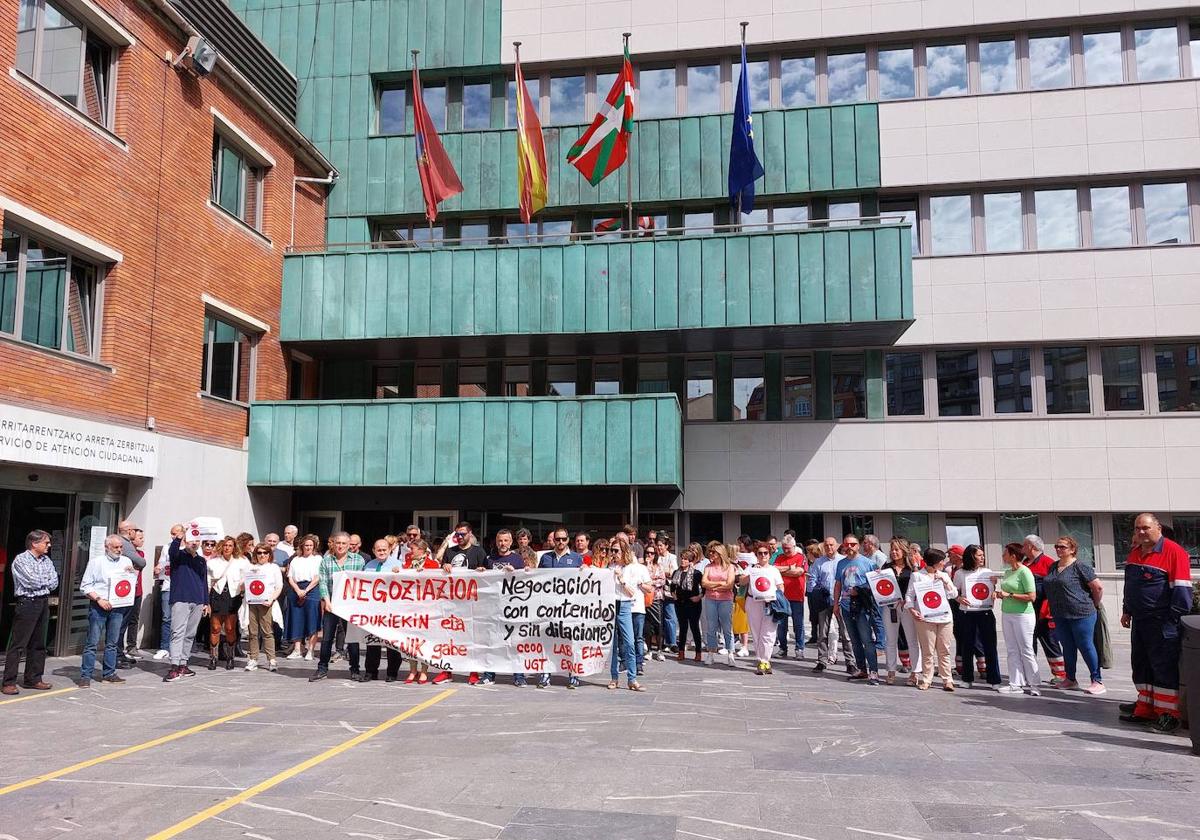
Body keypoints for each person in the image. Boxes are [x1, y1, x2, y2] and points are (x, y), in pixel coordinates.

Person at [1119, 513, 1193, 733]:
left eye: (1145, 528)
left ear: (1158, 528)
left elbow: (1182, 592)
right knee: (1141, 665)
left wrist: (1171, 621)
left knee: (1164, 669)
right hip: (1140, 622)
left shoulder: (1174, 552)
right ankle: (1146, 708)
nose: (1141, 532)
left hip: (1162, 623)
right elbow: (1130, 585)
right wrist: (1127, 610)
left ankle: (1168, 715)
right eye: (1137, 528)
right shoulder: (1135, 552)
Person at [1043, 536, 1105, 695]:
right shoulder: (1053, 567)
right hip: (1060, 614)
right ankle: (1070, 679)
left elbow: (1097, 587)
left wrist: (1094, 604)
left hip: (1081, 613)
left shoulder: (1080, 566)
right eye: (1057, 546)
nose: (1058, 549)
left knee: (1085, 645)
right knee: (1068, 647)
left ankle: (1096, 680)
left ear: (1072, 549)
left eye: (1062, 547)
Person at [2, 530, 58, 694]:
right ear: (34, 543)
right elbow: (31, 581)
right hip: (27, 603)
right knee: (18, 644)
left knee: (38, 643)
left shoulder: (46, 560)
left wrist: (44, 581)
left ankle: (33, 678)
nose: (49, 546)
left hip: (42, 602)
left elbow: (54, 581)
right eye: (46, 543)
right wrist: (44, 581)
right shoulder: (21, 559)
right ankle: (8, 682)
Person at [78, 534, 137, 687]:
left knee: (112, 642)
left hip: (118, 606)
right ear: (107, 547)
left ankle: (109, 673)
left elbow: (130, 584)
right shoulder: (96, 562)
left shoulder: (126, 561)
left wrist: (132, 573)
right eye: (115, 547)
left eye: (120, 547)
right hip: (99, 605)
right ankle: (86, 675)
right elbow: (85, 586)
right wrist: (99, 599)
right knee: (92, 642)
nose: (119, 550)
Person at [310, 531, 366, 682]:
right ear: (333, 544)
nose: (340, 546)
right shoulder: (326, 561)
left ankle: (355, 670)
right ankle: (322, 669)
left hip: (350, 606)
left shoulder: (358, 560)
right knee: (327, 638)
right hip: (332, 604)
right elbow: (322, 583)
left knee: (352, 639)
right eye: (338, 543)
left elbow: (361, 583)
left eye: (344, 543)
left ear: (349, 545)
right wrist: (327, 602)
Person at [905, 548, 959, 692]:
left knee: (944, 650)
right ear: (934, 562)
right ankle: (926, 679)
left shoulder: (944, 575)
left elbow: (954, 594)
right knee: (927, 650)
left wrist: (945, 582)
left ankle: (947, 679)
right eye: (941, 561)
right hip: (925, 618)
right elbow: (909, 595)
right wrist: (912, 609)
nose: (943, 563)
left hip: (944, 617)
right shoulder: (917, 576)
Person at [537, 527, 584, 688]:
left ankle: (573, 674)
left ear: (568, 540)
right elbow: (537, 580)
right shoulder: (545, 558)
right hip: (549, 608)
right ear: (553, 540)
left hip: (570, 608)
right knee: (547, 641)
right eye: (558, 539)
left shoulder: (577, 558)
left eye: (564, 539)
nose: (561, 542)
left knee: (571, 642)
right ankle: (545, 674)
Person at [833, 535, 882, 685]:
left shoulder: (868, 563)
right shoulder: (841, 563)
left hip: (862, 605)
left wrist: (860, 590)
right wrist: (836, 603)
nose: (850, 547)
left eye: (853, 544)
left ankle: (873, 671)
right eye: (847, 544)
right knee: (854, 640)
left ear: (858, 546)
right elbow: (838, 584)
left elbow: (875, 585)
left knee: (867, 639)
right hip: (846, 605)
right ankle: (862, 669)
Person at [952, 545, 1002, 690]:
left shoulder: (987, 572)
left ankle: (994, 679)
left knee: (990, 646)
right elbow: (954, 592)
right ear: (971, 556)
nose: (982, 558)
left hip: (985, 612)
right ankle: (967, 678)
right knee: (967, 645)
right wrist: (959, 598)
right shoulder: (960, 573)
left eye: (983, 555)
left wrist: (994, 588)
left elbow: (991, 591)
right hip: (967, 613)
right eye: (979, 555)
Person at [163, 532, 211, 682]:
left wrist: (206, 602)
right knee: (177, 632)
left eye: (197, 541)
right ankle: (174, 665)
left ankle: (183, 663)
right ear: (186, 541)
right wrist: (178, 537)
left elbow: (204, 582)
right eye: (191, 540)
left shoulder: (202, 560)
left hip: (197, 600)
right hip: (181, 598)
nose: (194, 543)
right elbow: (172, 551)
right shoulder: (178, 556)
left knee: (190, 634)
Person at [995, 542, 1040, 696]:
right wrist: (999, 593)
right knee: (1012, 649)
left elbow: (1031, 596)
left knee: (1026, 649)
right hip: (1007, 613)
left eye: (1005, 553)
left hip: (1023, 615)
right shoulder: (1007, 572)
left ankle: (1034, 684)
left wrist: (1010, 595)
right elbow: (1006, 590)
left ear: (1013, 555)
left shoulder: (1025, 572)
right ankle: (1015, 683)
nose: (1003, 556)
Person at [481, 529, 524, 686]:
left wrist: (516, 573)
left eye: (506, 540)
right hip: (493, 607)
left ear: (511, 542)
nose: (502, 543)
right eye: (500, 540)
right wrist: (481, 572)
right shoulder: (489, 559)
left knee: (514, 642)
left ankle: (519, 676)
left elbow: (525, 582)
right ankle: (489, 674)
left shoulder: (517, 559)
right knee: (492, 642)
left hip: (512, 608)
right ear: (496, 541)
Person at [1023, 535, 1067, 685]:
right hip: (1028, 611)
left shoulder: (1048, 563)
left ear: (1032, 547)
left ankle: (1060, 674)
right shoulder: (1025, 563)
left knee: (1050, 641)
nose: (1022, 548)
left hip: (1045, 612)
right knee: (1029, 642)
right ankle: (1030, 673)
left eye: (1025, 545)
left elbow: (1055, 589)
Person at [361, 539, 403, 682]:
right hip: (373, 610)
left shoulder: (398, 565)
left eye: (384, 549)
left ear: (390, 549)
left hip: (392, 609)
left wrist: (400, 574)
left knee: (392, 642)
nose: (382, 552)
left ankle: (392, 672)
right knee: (373, 642)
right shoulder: (368, 566)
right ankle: (371, 672)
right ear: (373, 551)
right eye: (378, 549)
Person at [740, 542, 785, 675]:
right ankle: (761, 660)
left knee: (769, 633)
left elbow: (781, 586)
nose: (763, 555)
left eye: (766, 553)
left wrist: (777, 596)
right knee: (756, 632)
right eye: (760, 553)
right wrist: (752, 574)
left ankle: (766, 659)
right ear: (756, 555)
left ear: (769, 555)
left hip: (770, 603)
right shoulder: (751, 567)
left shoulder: (773, 569)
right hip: (753, 601)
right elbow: (741, 581)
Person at [882, 537, 920, 686]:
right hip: (890, 607)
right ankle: (891, 671)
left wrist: (908, 601)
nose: (894, 552)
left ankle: (915, 672)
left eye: (897, 549)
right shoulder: (886, 567)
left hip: (908, 607)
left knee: (912, 640)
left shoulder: (912, 569)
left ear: (904, 551)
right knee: (890, 641)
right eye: (892, 549)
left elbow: (917, 588)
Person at [810, 536, 852, 673]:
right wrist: (815, 590)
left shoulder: (844, 561)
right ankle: (822, 660)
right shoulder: (818, 562)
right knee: (822, 632)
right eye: (827, 545)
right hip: (824, 600)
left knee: (845, 633)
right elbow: (812, 580)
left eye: (832, 545)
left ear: (837, 546)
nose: (829, 548)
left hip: (842, 601)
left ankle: (850, 662)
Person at [608, 540, 645, 691]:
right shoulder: (609, 566)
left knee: (629, 642)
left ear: (624, 552)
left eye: (616, 550)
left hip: (624, 605)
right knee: (613, 644)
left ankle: (632, 678)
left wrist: (621, 578)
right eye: (612, 550)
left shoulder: (631, 569)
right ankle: (614, 677)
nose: (613, 553)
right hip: (611, 605)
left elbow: (631, 592)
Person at [403, 540, 441, 684]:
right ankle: (412, 670)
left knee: (425, 639)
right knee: (411, 639)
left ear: (421, 550)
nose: (410, 552)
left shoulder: (432, 565)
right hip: (410, 606)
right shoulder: (407, 563)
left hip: (427, 607)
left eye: (412, 549)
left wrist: (425, 574)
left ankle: (424, 671)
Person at [244, 543, 282, 672]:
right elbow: (245, 584)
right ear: (255, 554)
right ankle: (253, 658)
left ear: (269, 554)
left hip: (266, 603)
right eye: (259, 553)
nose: (262, 555)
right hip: (252, 602)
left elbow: (279, 586)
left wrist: (271, 599)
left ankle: (271, 659)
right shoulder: (250, 567)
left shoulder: (274, 568)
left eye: (265, 553)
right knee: (253, 632)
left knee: (267, 631)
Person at [207, 537, 242, 671]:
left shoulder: (240, 562)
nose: (227, 548)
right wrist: (206, 600)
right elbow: (207, 581)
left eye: (230, 545)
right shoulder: (213, 562)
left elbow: (246, 578)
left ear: (234, 548)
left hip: (232, 596)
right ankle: (213, 657)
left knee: (229, 628)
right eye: (225, 545)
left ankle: (230, 657)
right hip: (217, 595)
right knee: (215, 627)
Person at [285, 534, 322, 660]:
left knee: (312, 619)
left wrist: (306, 590)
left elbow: (318, 577)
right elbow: (290, 577)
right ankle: (297, 649)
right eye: (306, 545)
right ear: (302, 546)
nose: (308, 547)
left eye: (311, 545)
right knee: (296, 619)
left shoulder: (318, 559)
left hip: (312, 589)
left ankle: (310, 650)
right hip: (296, 589)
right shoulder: (295, 560)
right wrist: (297, 590)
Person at [701, 544, 737, 666]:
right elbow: (704, 583)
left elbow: (729, 585)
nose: (710, 554)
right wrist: (720, 583)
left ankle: (730, 652)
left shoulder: (730, 567)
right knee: (711, 627)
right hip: (710, 599)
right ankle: (711, 653)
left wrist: (713, 585)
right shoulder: (708, 566)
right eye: (710, 552)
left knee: (727, 627)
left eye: (713, 552)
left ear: (720, 554)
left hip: (725, 600)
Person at [773, 535, 807, 660]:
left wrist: (782, 571)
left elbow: (799, 571)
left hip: (796, 596)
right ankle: (783, 648)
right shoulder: (779, 557)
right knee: (781, 624)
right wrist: (788, 568)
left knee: (798, 624)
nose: (786, 550)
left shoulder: (800, 557)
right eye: (784, 548)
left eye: (788, 548)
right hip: (781, 596)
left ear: (794, 546)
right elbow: (774, 569)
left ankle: (799, 649)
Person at [153, 524, 184, 660]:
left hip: (183, 588)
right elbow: (161, 563)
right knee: (166, 617)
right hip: (168, 585)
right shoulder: (167, 547)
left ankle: (180, 647)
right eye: (171, 533)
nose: (173, 536)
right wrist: (158, 568)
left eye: (175, 533)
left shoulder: (190, 548)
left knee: (183, 619)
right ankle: (164, 647)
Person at [670, 546, 704, 661]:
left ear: (690, 561)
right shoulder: (676, 572)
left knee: (694, 627)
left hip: (693, 603)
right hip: (680, 603)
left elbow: (703, 588)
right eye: (682, 559)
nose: (683, 561)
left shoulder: (696, 573)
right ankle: (681, 651)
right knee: (683, 628)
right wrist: (673, 594)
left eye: (686, 559)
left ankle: (698, 652)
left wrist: (699, 597)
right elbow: (672, 586)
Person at [651, 535, 679, 653]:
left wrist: (661, 572)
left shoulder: (672, 557)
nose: (659, 548)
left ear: (666, 546)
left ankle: (672, 642)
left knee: (670, 616)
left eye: (661, 545)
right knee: (659, 618)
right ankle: (660, 642)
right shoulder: (655, 557)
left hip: (668, 590)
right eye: (657, 545)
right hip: (657, 590)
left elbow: (674, 572)